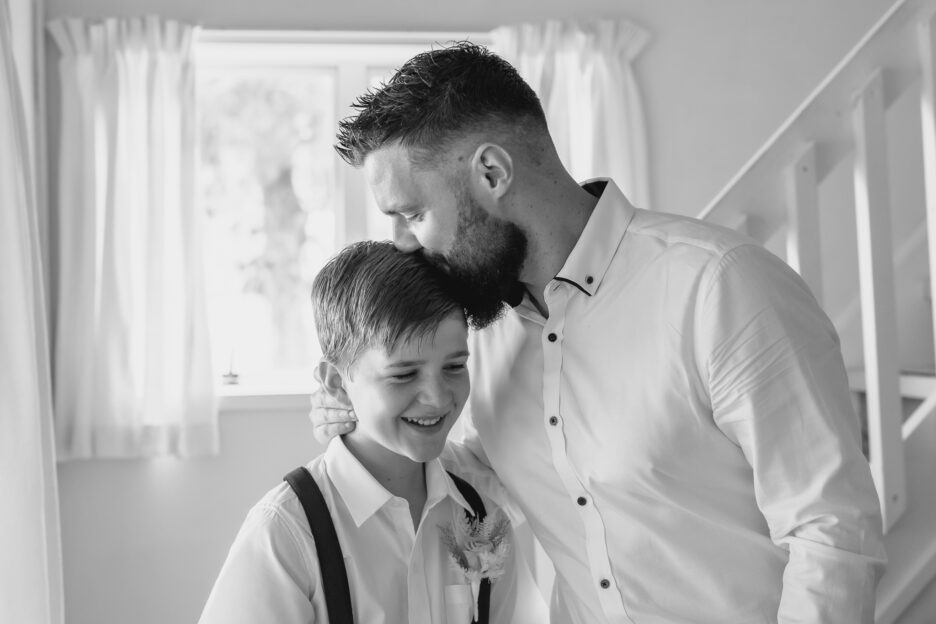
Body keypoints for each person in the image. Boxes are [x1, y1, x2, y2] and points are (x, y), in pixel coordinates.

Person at [313, 42, 887, 623]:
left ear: (492, 172)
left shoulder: (718, 287)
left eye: (413, 214)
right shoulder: (484, 333)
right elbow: (504, 472)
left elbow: (832, 533)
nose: (405, 243)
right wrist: (370, 422)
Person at [199, 241, 545, 624]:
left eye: (454, 366)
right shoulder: (286, 535)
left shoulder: (484, 520)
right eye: (404, 374)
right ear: (336, 382)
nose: (437, 397)